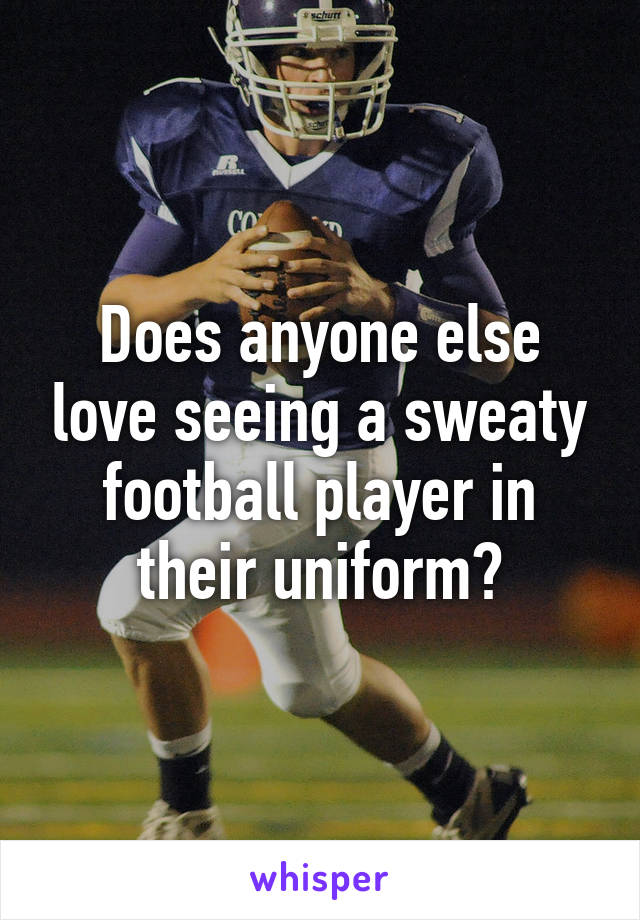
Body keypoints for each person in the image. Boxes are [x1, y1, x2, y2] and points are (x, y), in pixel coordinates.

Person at [97, 0, 528, 840]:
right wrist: (204, 278)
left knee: (135, 604)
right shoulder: (187, 133)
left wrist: (386, 297)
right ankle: (470, 795)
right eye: (299, 53)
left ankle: (187, 822)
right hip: (234, 455)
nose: (326, 73)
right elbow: (117, 312)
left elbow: (499, 348)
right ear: (250, 55)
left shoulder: (424, 155)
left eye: (345, 52)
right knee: (312, 684)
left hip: (334, 467)